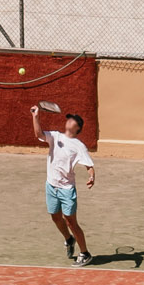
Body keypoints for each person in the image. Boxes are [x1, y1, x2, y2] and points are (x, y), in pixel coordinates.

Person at [36, 100, 95, 265]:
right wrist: (35, 116)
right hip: (51, 185)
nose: (69, 120)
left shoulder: (79, 146)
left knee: (71, 221)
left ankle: (85, 253)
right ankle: (69, 240)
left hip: (67, 189)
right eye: (69, 118)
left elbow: (89, 165)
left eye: (73, 120)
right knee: (55, 217)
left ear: (78, 127)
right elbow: (39, 134)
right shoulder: (55, 136)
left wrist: (92, 176)